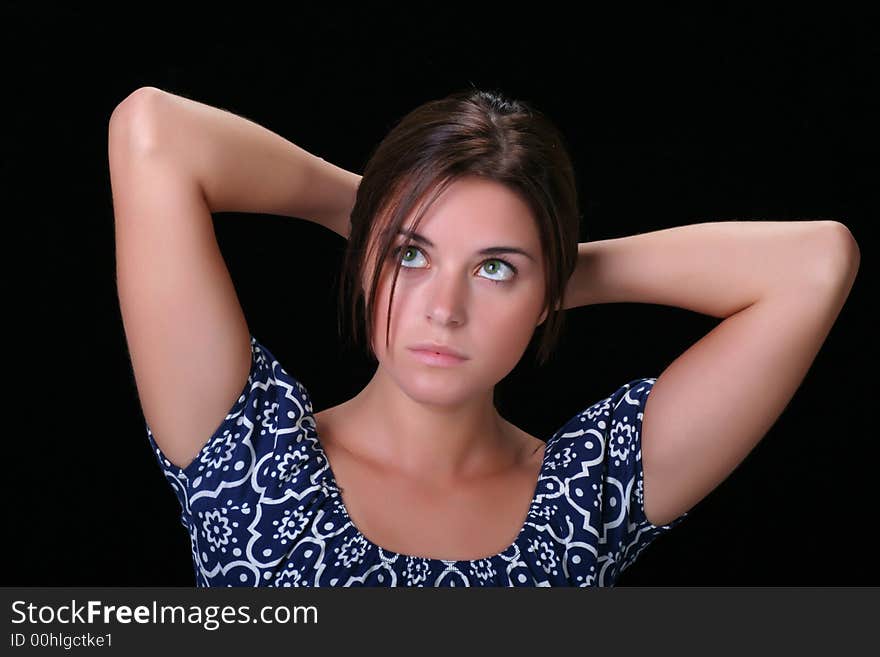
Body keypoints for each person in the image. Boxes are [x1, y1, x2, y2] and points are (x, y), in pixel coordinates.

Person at [112, 86, 854, 586]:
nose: (445, 307)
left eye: (493, 269)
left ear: (544, 294)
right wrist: (374, 211)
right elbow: (153, 131)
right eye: (411, 255)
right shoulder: (246, 455)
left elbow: (815, 265)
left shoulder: (587, 491)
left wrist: (551, 270)